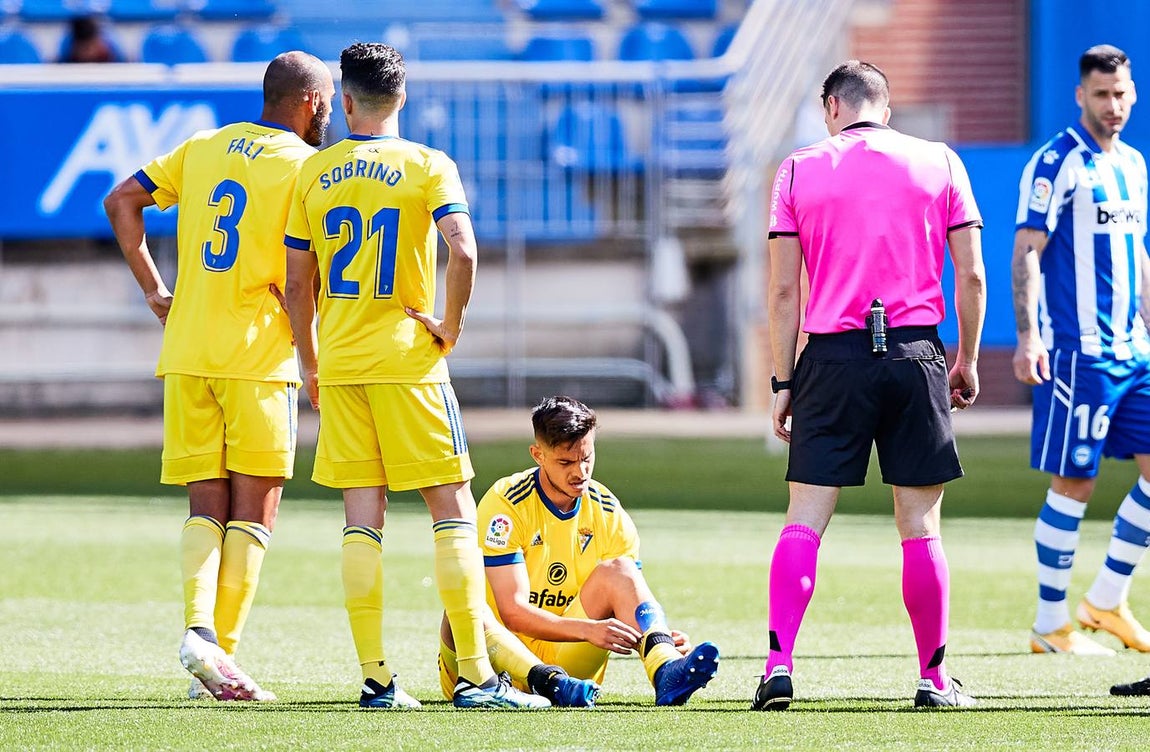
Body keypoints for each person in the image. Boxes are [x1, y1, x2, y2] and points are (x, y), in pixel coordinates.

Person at [282, 42, 546, 710]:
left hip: (340, 365)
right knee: (452, 510)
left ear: (344, 101)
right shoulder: (429, 164)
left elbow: (295, 282)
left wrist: (311, 365)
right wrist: (450, 324)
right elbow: (463, 249)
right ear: (401, 100)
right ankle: (478, 680)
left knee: (361, 520)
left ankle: (376, 680)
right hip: (409, 362)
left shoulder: (313, 173)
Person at [103, 52, 336, 702]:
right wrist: (313, 360)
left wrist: (155, 288)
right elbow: (299, 278)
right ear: (313, 104)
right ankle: (218, 658)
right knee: (255, 512)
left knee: (205, 507)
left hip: (187, 349)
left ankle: (199, 633)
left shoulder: (202, 147)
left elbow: (121, 200)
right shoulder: (307, 166)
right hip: (258, 356)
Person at [755, 60, 986, 711]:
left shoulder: (798, 168)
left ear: (832, 107)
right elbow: (970, 276)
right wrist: (964, 359)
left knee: (805, 519)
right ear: (885, 108)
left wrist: (782, 379)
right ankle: (934, 680)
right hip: (916, 353)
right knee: (920, 524)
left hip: (831, 359)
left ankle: (778, 665)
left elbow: (780, 289)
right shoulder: (940, 161)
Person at [437, 396, 720, 706]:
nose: (580, 472)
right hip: (493, 663)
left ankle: (665, 671)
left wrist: (656, 638)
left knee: (621, 572)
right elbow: (512, 612)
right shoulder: (506, 504)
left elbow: (629, 600)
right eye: (565, 462)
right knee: (462, 605)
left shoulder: (608, 512)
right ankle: (546, 682)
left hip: (567, 665)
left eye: (587, 457)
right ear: (538, 455)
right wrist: (587, 630)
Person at [1013, 44, 1150, 658]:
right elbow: (1027, 250)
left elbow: (1136, 253)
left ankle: (1106, 599)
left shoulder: (1134, 165)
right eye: (1102, 95)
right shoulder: (1057, 162)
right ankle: (1050, 623)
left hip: (1134, 351)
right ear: (1080, 95)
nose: (1113, 106)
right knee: (1075, 483)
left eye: (1121, 94)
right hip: (1079, 354)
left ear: (1133, 92)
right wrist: (1027, 336)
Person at [59, 15, 123, 63]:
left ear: (97, 41)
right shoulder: (65, 53)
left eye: (88, 48)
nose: (86, 54)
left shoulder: (113, 51)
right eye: (82, 48)